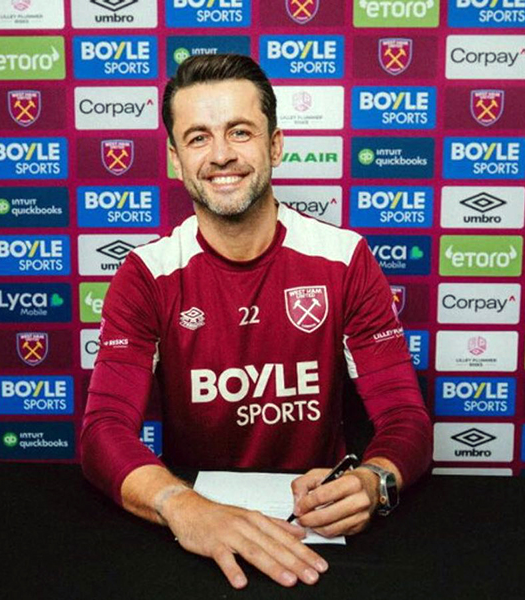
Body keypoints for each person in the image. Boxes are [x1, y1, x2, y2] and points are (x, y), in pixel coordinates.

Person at [80, 54, 432, 589]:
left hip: (314, 527)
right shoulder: (146, 274)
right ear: (175, 158)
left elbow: (406, 416)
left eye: (240, 132)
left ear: (275, 145)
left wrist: (372, 480)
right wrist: (182, 505)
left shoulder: (344, 258)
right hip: (197, 536)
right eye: (198, 138)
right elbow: (103, 430)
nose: (221, 155)